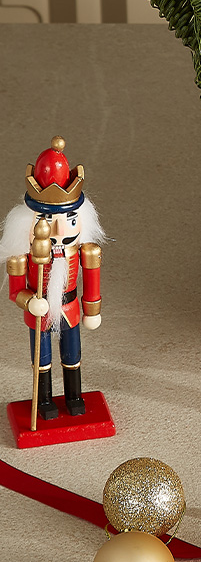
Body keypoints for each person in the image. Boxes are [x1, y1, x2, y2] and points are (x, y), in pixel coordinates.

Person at [1, 137, 106, 419]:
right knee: (42, 360)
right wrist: (28, 302)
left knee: (72, 356)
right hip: (40, 312)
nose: (59, 227)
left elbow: (92, 280)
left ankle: (74, 396)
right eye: (47, 218)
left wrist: (92, 310)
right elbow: (15, 291)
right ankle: (44, 401)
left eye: (70, 217)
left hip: (70, 308)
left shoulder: (85, 250)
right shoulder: (22, 258)